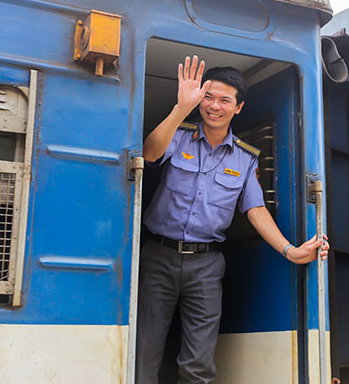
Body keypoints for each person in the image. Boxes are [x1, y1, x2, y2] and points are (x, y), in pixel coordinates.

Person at [137, 55, 329, 384]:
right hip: (158, 256)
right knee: (145, 350)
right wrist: (181, 108)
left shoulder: (245, 158)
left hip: (206, 266)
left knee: (199, 361)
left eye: (224, 100)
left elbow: (256, 209)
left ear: (238, 108)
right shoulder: (178, 135)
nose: (214, 106)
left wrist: (291, 251)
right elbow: (149, 153)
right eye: (208, 97)